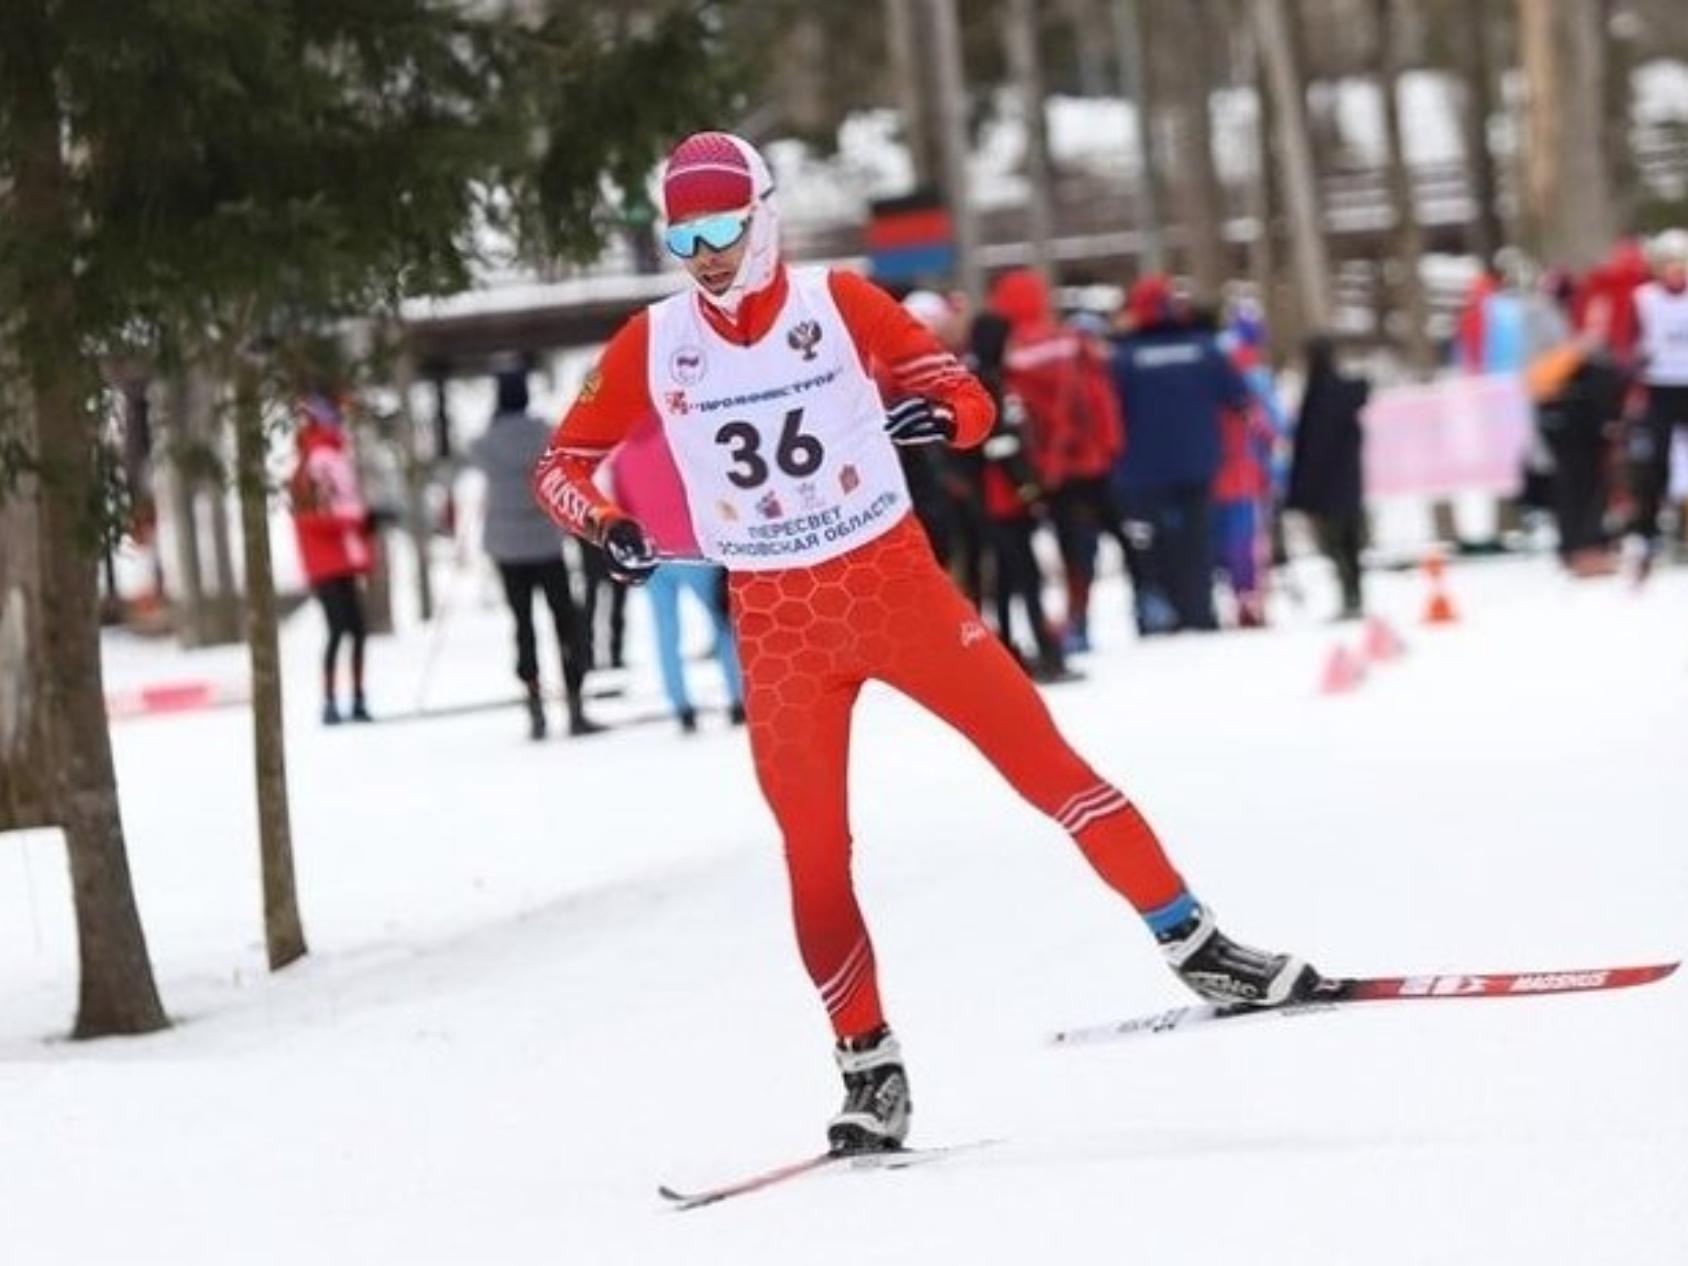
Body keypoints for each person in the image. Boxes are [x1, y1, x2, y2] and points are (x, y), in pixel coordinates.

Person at [532, 131, 1327, 1156]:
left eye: (724, 225)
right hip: (777, 622)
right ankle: (867, 1068)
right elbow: (562, 463)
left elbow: (968, 400)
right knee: (813, 856)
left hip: (892, 585)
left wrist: (931, 413)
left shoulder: (842, 304)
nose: (708, 252)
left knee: (1048, 768)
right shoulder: (656, 339)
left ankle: (1198, 946)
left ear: (763, 215)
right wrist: (607, 527)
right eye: (683, 234)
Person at [989, 269, 1126, 653]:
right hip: (1079, 464)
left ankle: (1036, 627)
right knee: (1077, 548)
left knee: (1023, 556)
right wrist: (1108, 446)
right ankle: (1078, 619)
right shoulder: (1072, 344)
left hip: (1025, 472)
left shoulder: (1006, 351)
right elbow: (1100, 400)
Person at [468, 365, 603, 740]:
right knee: (565, 621)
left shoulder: (488, 442)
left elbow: (472, 450)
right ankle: (576, 705)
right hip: (545, 540)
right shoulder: (545, 434)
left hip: (506, 546)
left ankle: (535, 710)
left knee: (523, 626)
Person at [1108, 277, 1249, 635]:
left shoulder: (1122, 359)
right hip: (1197, 463)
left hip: (1139, 471)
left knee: (1151, 546)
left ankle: (1158, 613)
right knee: (1197, 542)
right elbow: (1238, 398)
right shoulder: (1204, 349)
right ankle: (1199, 611)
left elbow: (1108, 410)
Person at [609, 411, 746, 733]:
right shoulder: (677, 444)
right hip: (695, 550)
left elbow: (624, 508)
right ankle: (738, 698)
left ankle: (681, 705)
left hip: (655, 556)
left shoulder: (622, 458)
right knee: (723, 624)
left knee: (667, 633)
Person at [290, 394, 376, 725]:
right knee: (339, 629)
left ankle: (356, 697)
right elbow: (312, 518)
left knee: (356, 629)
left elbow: (345, 506)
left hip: (342, 558)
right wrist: (357, 523)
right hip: (324, 561)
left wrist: (362, 528)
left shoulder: (334, 459)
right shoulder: (313, 464)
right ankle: (330, 700)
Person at [1287, 337, 1371, 619]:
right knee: (1350, 545)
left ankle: (1351, 597)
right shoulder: (1345, 393)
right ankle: (1354, 596)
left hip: (1325, 487)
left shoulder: (1317, 396)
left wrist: (1301, 490)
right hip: (1350, 482)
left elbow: (1309, 447)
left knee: (1335, 545)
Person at [1626, 230, 1688, 580]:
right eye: (1670, 266)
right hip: (1661, 388)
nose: (1676, 273)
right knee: (1655, 464)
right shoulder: (1645, 299)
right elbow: (1630, 343)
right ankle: (1648, 533)